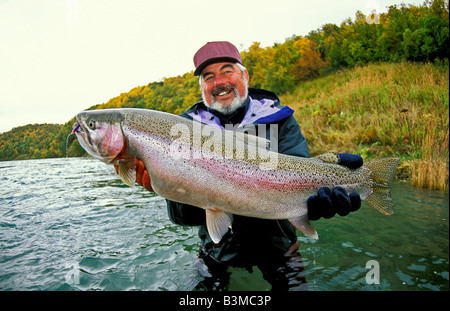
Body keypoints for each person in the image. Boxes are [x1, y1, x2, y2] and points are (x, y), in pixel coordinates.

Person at [122, 41, 363, 290]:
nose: (219, 82)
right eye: (208, 77)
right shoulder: (181, 130)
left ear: (245, 75)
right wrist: (164, 185)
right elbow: (182, 218)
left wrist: (320, 198)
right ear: (201, 88)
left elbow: (301, 174)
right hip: (216, 251)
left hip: (280, 248)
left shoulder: (281, 120)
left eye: (227, 71)